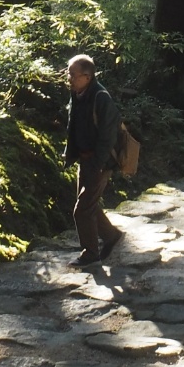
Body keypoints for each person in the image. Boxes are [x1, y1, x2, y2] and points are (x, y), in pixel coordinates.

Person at [64, 54, 124, 266]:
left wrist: (98, 165)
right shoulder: (77, 94)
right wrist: (70, 153)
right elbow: (74, 126)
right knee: (88, 205)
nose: (69, 78)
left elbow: (108, 136)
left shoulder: (101, 98)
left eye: (73, 74)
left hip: (100, 162)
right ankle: (111, 236)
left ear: (87, 77)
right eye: (68, 73)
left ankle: (90, 253)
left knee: (82, 209)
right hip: (84, 159)